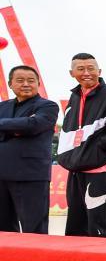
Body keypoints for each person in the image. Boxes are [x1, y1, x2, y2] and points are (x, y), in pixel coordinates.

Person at [56, 53, 106, 237]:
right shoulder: (74, 97)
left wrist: (95, 151)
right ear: (72, 72)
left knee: (98, 227)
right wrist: (72, 156)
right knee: (76, 224)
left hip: (100, 170)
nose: (86, 72)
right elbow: (69, 132)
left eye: (91, 68)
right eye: (81, 69)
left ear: (99, 71)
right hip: (76, 171)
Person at [0, 65, 58, 234]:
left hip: (30, 175)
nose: (26, 84)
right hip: (1, 174)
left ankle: (37, 260)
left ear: (38, 83)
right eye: (20, 80)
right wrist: (16, 128)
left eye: (31, 80)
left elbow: (33, 126)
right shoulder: (2, 107)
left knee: (34, 228)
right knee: (3, 229)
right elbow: (25, 126)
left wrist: (9, 127)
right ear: (10, 84)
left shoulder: (48, 106)